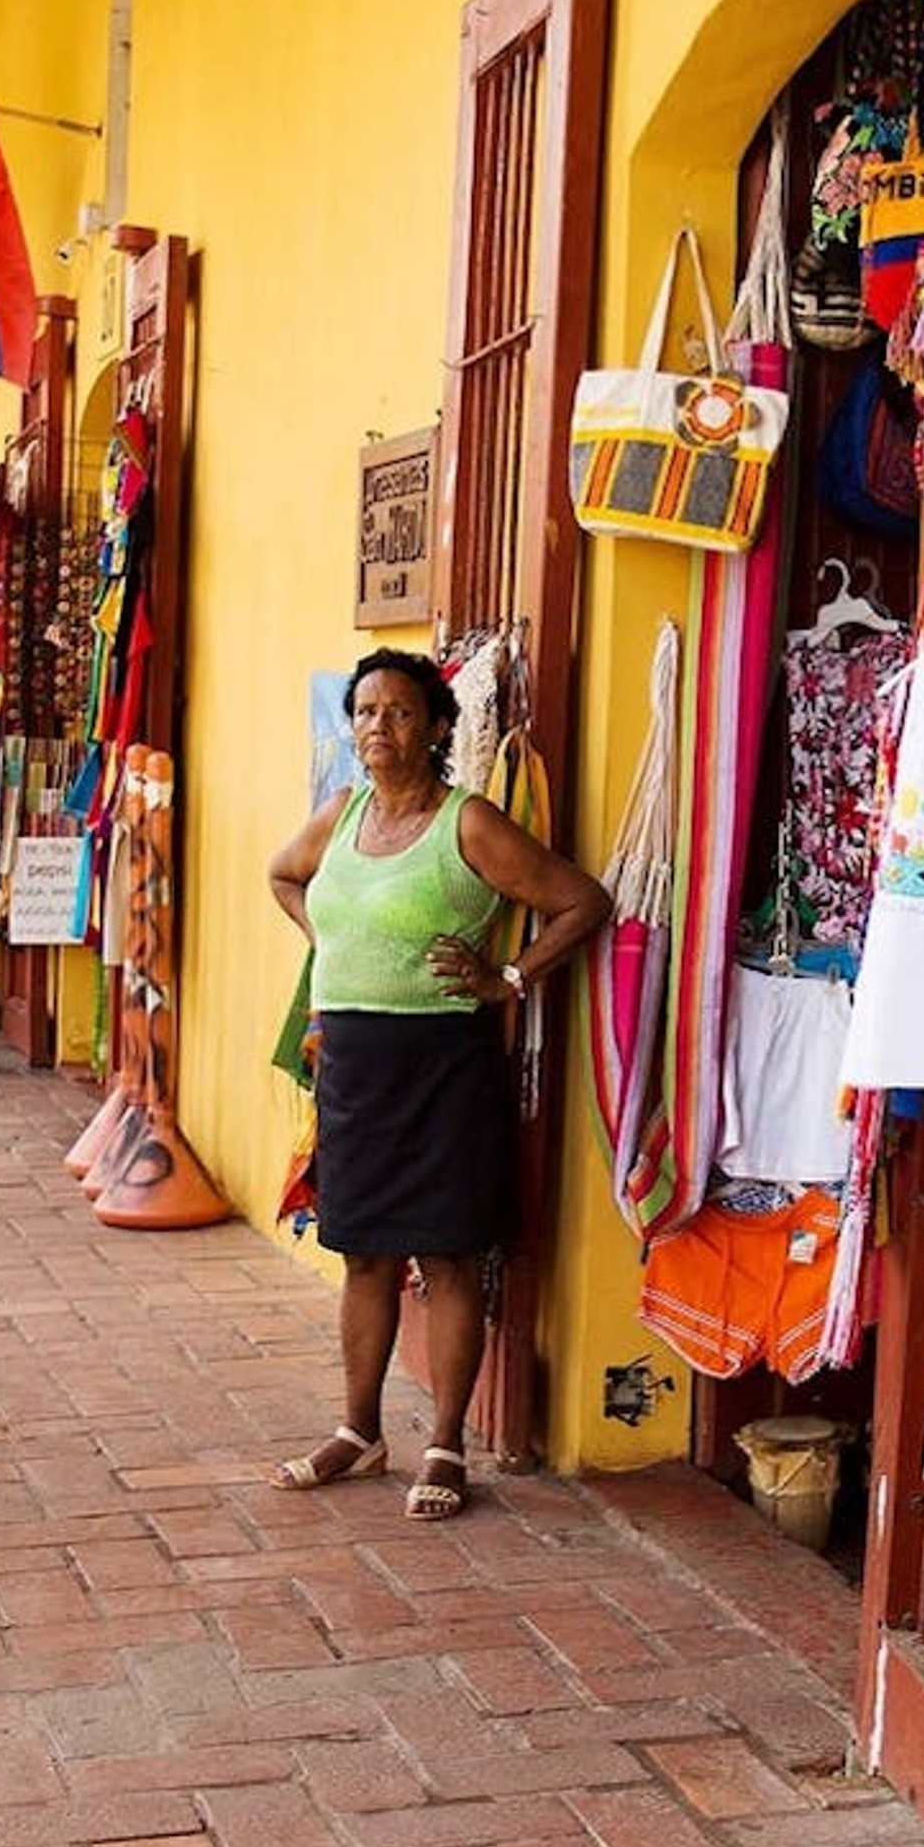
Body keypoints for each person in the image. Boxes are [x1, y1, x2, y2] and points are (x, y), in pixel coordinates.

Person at [262, 650, 609, 1519]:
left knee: (448, 1254)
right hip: (353, 1064)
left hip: (444, 1063)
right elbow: (280, 874)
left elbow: (582, 901)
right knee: (364, 1251)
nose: (380, 727)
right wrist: (330, 946)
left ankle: (447, 1443)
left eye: (402, 712)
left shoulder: (469, 823)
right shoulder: (340, 815)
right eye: (368, 712)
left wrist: (511, 979)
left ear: (440, 727)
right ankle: (359, 1432)